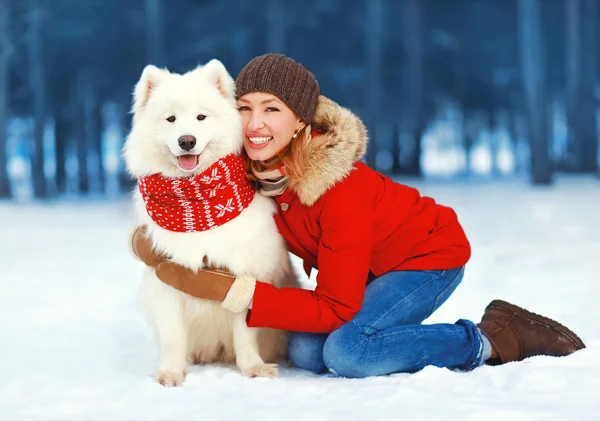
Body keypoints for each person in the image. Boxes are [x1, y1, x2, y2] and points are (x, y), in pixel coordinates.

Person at [130, 54, 585, 378]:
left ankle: (493, 337)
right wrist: (150, 241)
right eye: (245, 109)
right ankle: (389, 326)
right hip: (362, 269)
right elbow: (200, 214)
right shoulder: (250, 171)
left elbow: (335, 306)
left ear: (301, 121)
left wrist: (236, 292)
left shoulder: (338, 186)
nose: (255, 124)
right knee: (307, 354)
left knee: (350, 353)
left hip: (427, 257)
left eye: (272, 110)